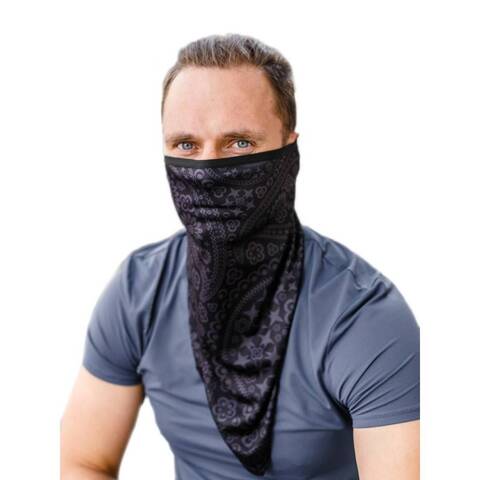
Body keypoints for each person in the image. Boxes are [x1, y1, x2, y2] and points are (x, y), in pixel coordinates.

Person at [61, 33, 420, 479]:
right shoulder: (139, 290)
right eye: (186, 145)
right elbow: (85, 461)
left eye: (240, 143)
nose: (207, 171)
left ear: (290, 149)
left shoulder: (362, 318)